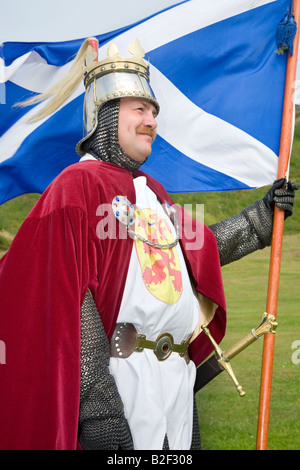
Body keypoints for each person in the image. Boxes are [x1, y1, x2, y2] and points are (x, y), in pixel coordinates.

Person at [0, 38, 297, 451]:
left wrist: (260, 219)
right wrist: (100, 412)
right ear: (104, 115)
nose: (151, 121)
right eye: (139, 109)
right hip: (121, 384)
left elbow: (196, 250)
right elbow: (70, 300)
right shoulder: (77, 187)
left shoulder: (151, 193)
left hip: (174, 387)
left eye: (154, 112)